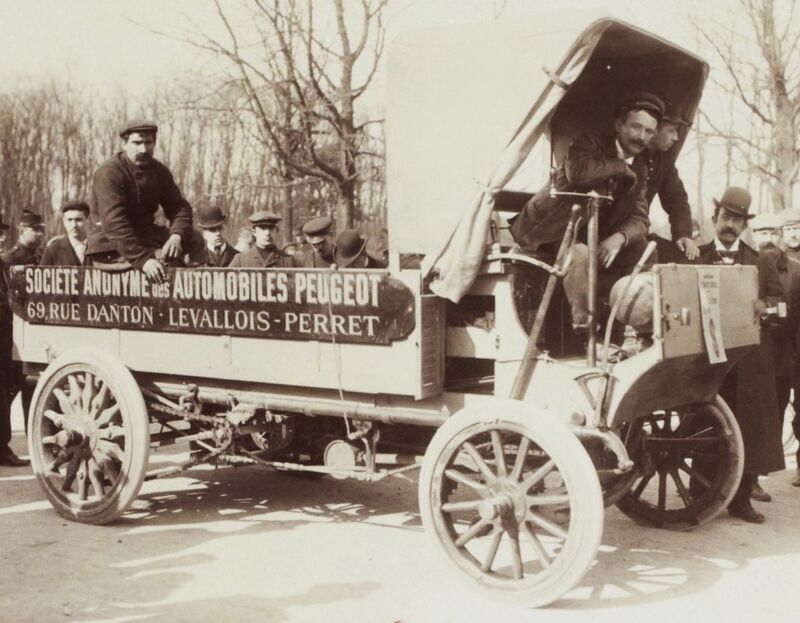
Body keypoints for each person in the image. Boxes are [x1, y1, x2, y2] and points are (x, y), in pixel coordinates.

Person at [510, 92, 659, 330]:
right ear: (619, 126)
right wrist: (620, 167)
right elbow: (578, 173)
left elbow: (640, 218)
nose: (642, 137)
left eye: (649, 131)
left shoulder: (640, 167)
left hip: (587, 234)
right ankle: (584, 329)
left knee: (644, 251)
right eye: (636, 127)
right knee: (579, 253)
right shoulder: (588, 142)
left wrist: (619, 238)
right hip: (546, 231)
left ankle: (636, 327)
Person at [695, 187, 785, 523]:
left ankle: (742, 500)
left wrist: (767, 306)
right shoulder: (697, 257)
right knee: (704, 423)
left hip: (749, 361)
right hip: (708, 359)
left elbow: (782, 302)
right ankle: (699, 490)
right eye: (726, 217)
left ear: (744, 225)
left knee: (747, 426)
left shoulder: (761, 261)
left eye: (737, 220)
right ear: (714, 217)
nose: (730, 225)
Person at [92, 119, 193, 283]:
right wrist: (144, 260)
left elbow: (179, 207)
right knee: (166, 263)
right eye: (137, 143)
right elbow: (114, 223)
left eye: (148, 142)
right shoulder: (109, 172)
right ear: (124, 144)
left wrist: (176, 236)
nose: (144, 149)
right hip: (112, 245)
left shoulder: (158, 170)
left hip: (145, 237)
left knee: (193, 240)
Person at [749, 212, 800, 501]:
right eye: (760, 233)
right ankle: (750, 479)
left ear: (779, 235)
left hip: (783, 358)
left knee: (776, 416)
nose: (766, 239)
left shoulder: (795, 270)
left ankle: (759, 474)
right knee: (753, 417)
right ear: (752, 236)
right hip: (751, 356)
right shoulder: (747, 264)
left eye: (771, 233)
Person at [633, 100, 698, 263]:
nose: (676, 138)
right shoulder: (631, 155)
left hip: (639, 234)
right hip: (619, 234)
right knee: (647, 255)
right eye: (671, 131)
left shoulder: (664, 161)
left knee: (686, 258)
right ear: (654, 130)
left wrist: (683, 234)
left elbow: (677, 200)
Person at [0, 218, 27, 467]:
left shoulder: (4, 265)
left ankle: (2, 447)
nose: (0, 240)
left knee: (4, 393)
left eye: (1, 235)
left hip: (5, 342)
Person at [40, 200, 90, 266]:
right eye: (69, 220)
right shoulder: (52, 251)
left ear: (88, 220)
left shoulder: (98, 248)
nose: (74, 225)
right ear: (64, 221)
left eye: (78, 220)